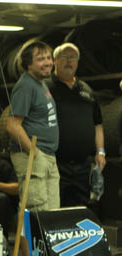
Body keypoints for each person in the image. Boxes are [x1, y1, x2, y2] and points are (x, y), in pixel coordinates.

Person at [45, 42, 106, 207]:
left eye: (72, 57)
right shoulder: (45, 87)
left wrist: (100, 152)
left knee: (79, 210)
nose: (68, 61)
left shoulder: (86, 90)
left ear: (78, 63)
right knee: (54, 209)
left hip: (82, 166)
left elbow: (98, 124)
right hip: (54, 163)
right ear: (55, 60)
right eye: (64, 57)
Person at [6, 40, 60, 211]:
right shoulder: (26, 86)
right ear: (29, 64)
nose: (47, 63)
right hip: (33, 156)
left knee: (51, 213)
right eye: (40, 59)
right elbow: (12, 125)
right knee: (37, 211)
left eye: (49, 58)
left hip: (48, 155)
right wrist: (34, 152)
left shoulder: (41, 84)